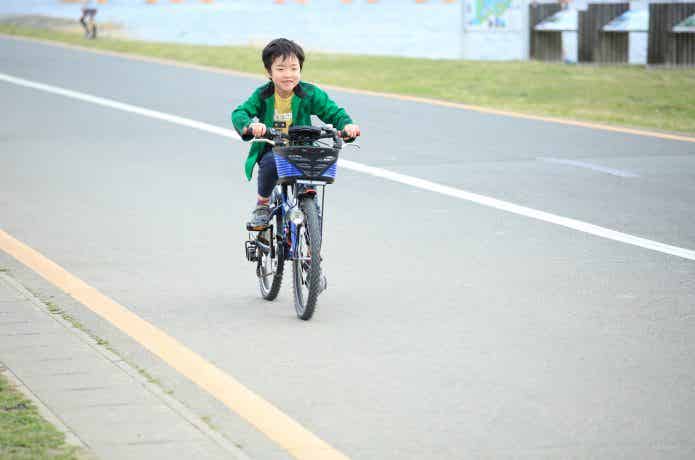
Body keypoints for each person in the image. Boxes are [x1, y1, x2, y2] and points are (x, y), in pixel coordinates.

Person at [232, 38, 360, 231]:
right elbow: (240, 113)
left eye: (294, 68)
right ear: (269, 72)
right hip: (273, 147)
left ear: (300, 69)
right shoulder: (263, 95)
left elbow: (334, 112)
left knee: (310, 182)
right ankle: (263, 204)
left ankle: (311, 236)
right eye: (281, 69)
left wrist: (348, 125)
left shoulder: (309, 93)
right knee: (269, 162)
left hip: (303, 147)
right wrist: (250, 126)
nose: (288, 75)